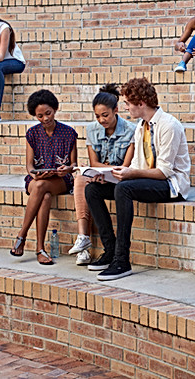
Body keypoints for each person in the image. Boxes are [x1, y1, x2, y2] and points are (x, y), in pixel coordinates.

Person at [84, 77, 191, 281]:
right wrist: (110, 175)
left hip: (171, 186)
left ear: (141, 103)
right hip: (148, 180)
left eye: (127, 103)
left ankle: (122, 260)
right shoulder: (142, 126)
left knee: (124, 189)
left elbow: (164, 172)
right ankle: (110, 251)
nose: (125, 108)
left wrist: (129, 175)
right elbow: (135, 166)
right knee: (93, 189)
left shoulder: (169, 125)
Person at [67, 84, 137, 266]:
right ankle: (108, 248)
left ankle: (115, 252)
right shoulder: (92, 130)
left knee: (117, 188)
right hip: (104, 178)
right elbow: (94, 163)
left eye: (105, 115)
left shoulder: (131, 130)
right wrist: (99, 170)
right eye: (97, 116)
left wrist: (105, 168)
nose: (101, 120)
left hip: (123, 180)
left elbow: (126, 166)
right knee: (90, 189)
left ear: (116, 110)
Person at [9, 90, 77, 265]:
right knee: (43, 194)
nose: (45, 118)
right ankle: (40, 249)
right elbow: (30, 166)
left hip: (60, 180)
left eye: (48, 113)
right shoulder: (32, 134)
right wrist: (36, 174)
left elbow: (73, 165)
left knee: (42, 189)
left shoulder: (69, 133)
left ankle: (22, 236)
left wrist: (66, 169)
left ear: (55, 109)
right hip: (37, 179)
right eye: (40, 116)